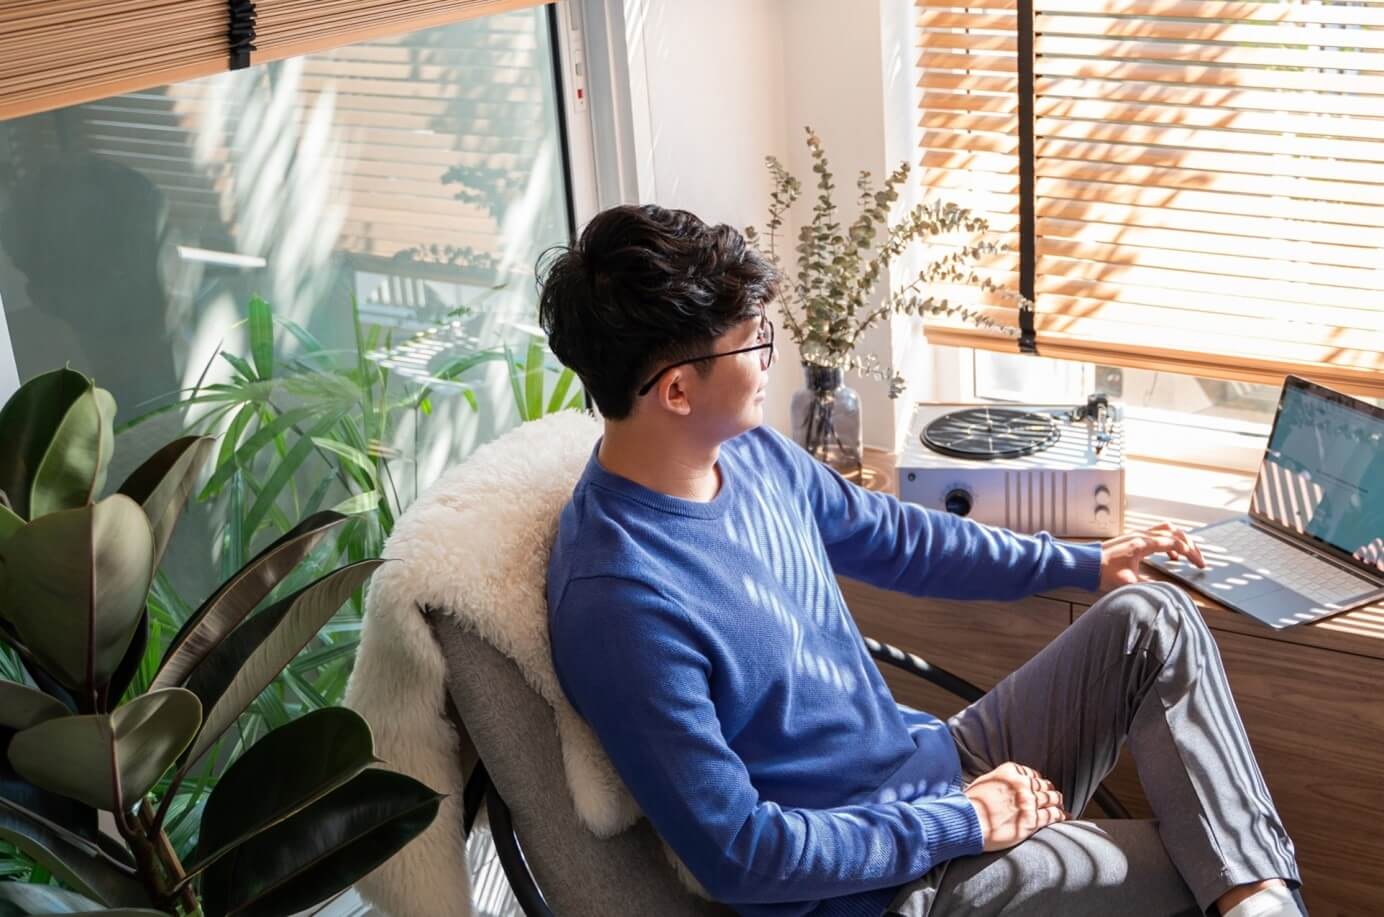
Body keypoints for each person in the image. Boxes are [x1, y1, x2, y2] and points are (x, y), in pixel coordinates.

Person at [539, 204, 1305, 917]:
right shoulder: (618, 598)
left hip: (933, 766)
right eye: (756, 341)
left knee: (1152, 621)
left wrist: (1083, 563)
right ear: (676, 390)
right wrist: (965, 821)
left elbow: (901, 537)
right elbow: (741, 853)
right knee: (1202, 860)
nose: (772, 355)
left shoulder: (750, 453)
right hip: (882, 883)